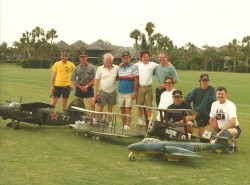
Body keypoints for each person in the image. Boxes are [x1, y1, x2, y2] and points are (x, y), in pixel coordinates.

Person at [209, 86, 241, 152]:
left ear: (226, 94)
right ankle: (222, 142)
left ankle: (232, 144)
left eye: (222, 94)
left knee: (225, 137)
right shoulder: (214, 104)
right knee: (214, 148)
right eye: (218, 94)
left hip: (233, 129)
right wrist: (213, 133)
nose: (220, 95)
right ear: (216, 95)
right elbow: (212, 119)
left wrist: (220, 132)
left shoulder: (230, 105)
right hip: (220, 129)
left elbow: (233, 122)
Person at [94, 53, 118, 127]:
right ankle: (97, 122)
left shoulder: (116, 67)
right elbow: (96, 81)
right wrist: (95, 94)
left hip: (112, 92)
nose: (108, 61)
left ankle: (110, 123)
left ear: (112, 60)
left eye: (110, 60)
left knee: (110, 109)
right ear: (104, 60)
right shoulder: (100, 68)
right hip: (102, 92)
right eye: (107, 60)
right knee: (100, 108)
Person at [117, 51, 139, 130]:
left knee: (128, 109)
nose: (125, 59)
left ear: (130, 58)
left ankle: (127, 126)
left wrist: (135, 92)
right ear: (121, 58)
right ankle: (123, 125)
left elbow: (136, 80)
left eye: (127, 57)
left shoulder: (133, 67)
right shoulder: (119, 67)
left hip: (129, 92)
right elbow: (117, 77)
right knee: (122, 109)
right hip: (120, 92)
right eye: (123, 57)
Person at [135, 50, 158, 125]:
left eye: (147, 57)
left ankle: (149, 121)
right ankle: (140, 121)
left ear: (149, 57)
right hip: (140, 88)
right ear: (141, 58)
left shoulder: (153, 64)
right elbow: (129, 66)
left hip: (149, 88)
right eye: (144, 57)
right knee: (140, 106)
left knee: (149, 106)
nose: (145, 58)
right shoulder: (137, 65)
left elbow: (162, 64)